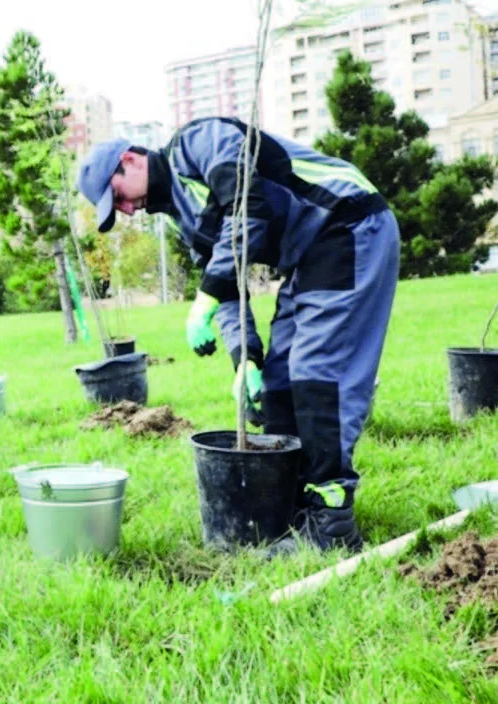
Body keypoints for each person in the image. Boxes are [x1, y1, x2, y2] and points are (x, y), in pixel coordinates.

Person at [76, 117, 400, 554]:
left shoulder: (198, 142)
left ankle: (332, 522)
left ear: (129, 161)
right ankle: (297, 508)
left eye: (119, 198)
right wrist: (244, 358)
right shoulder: (182, 218)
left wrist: (204, 297)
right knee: (278, 380)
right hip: (306, 255)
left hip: (348, 222)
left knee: (316, 373)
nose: (129, 211)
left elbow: (248, 207)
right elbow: (227, 291)